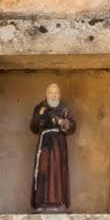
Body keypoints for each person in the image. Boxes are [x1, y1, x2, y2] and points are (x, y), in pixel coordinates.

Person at [30, 83, 74, 212]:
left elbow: (72, 125)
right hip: (45, 144)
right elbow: (33, 127)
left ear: (59, 95)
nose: (53, 96)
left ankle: (58, 202)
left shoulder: (64, 109)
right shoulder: (40, 107)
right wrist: (40, 116)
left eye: (56, 93)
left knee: (58, 170)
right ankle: (41, 203)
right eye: (51, 93)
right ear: (46, 94)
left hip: (59, 144)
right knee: (43, 170)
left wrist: (63, 123)